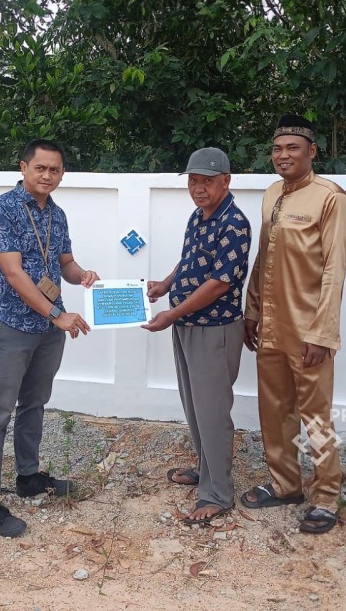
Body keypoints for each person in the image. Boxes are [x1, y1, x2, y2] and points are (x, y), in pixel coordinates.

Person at [0, 139, 99, 538]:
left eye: (55, 170)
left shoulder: (56, 215)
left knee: (35, 404)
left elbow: (65, 263)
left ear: (62, 174)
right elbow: (13, 274)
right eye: (40, 168)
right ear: (23, 167)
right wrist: (58, 314)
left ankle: (28, 477)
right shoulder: (2, 210)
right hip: (12, 326)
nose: (47, 175)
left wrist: (83, 276)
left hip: (48, 330)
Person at [241, 114, 346, 535]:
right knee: (273, 410)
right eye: (277, 148)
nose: (283, 155)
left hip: (308, 330)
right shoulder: (272, 194)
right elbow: (264, 258)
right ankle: (285, 484)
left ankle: (325, 497)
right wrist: (252, 311)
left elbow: (335, 270)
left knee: (315, 416)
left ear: (312, 152)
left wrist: (323, 332)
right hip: (271, 325)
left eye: (292, 148)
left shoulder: (330, 198)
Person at [142, 147, 252, 525]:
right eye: (193, 181)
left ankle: (218, 493)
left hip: (214, 329)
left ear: (226, 181)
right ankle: (206, 471)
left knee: (213, 412)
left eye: (207, 181)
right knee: (194, 407)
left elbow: (220, 282)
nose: (198, 188)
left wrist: (171, 314)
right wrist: (165, 284)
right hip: (188, 325)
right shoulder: (199, 216)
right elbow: (190, 258)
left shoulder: (234, 223)